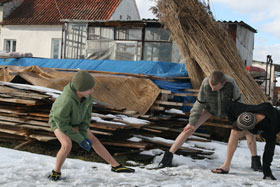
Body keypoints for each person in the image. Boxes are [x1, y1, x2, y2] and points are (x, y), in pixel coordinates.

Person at [159, 71, 262, 172]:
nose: (212, 89)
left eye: (215, 87)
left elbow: (239, 101)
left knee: (249, 131)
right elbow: (199, 103)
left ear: (223, 84)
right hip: (210, 109)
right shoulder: (205, 83)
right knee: (188, 129)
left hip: (228, 109)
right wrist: (191, 122)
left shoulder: (230, 82)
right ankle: (167, 157)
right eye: (211, 86)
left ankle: (255, 162)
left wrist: (242, 120)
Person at [48, 71, 134, 181]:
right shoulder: (66, 100)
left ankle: (115, 166)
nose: (92, 90)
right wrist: (80, 139)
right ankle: (56, 171)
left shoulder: (87, 97)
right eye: (89, 88)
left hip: (76, 121)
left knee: (94, 140)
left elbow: (86, 118)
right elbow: (62, 123)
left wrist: (83, 136)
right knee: (66, 144)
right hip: (59, 122)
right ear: (80, 88)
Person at [212, 101, 280, 180]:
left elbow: (269, 148)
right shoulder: (241, 110)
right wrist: (233, 121)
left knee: (242, 133)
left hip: (274, 119)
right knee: (234, 132)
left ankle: (255, 161)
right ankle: (226, 166)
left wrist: (266, 169)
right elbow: (227, 106)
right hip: (254, 116)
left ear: (251, 128)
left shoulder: (270, 128)